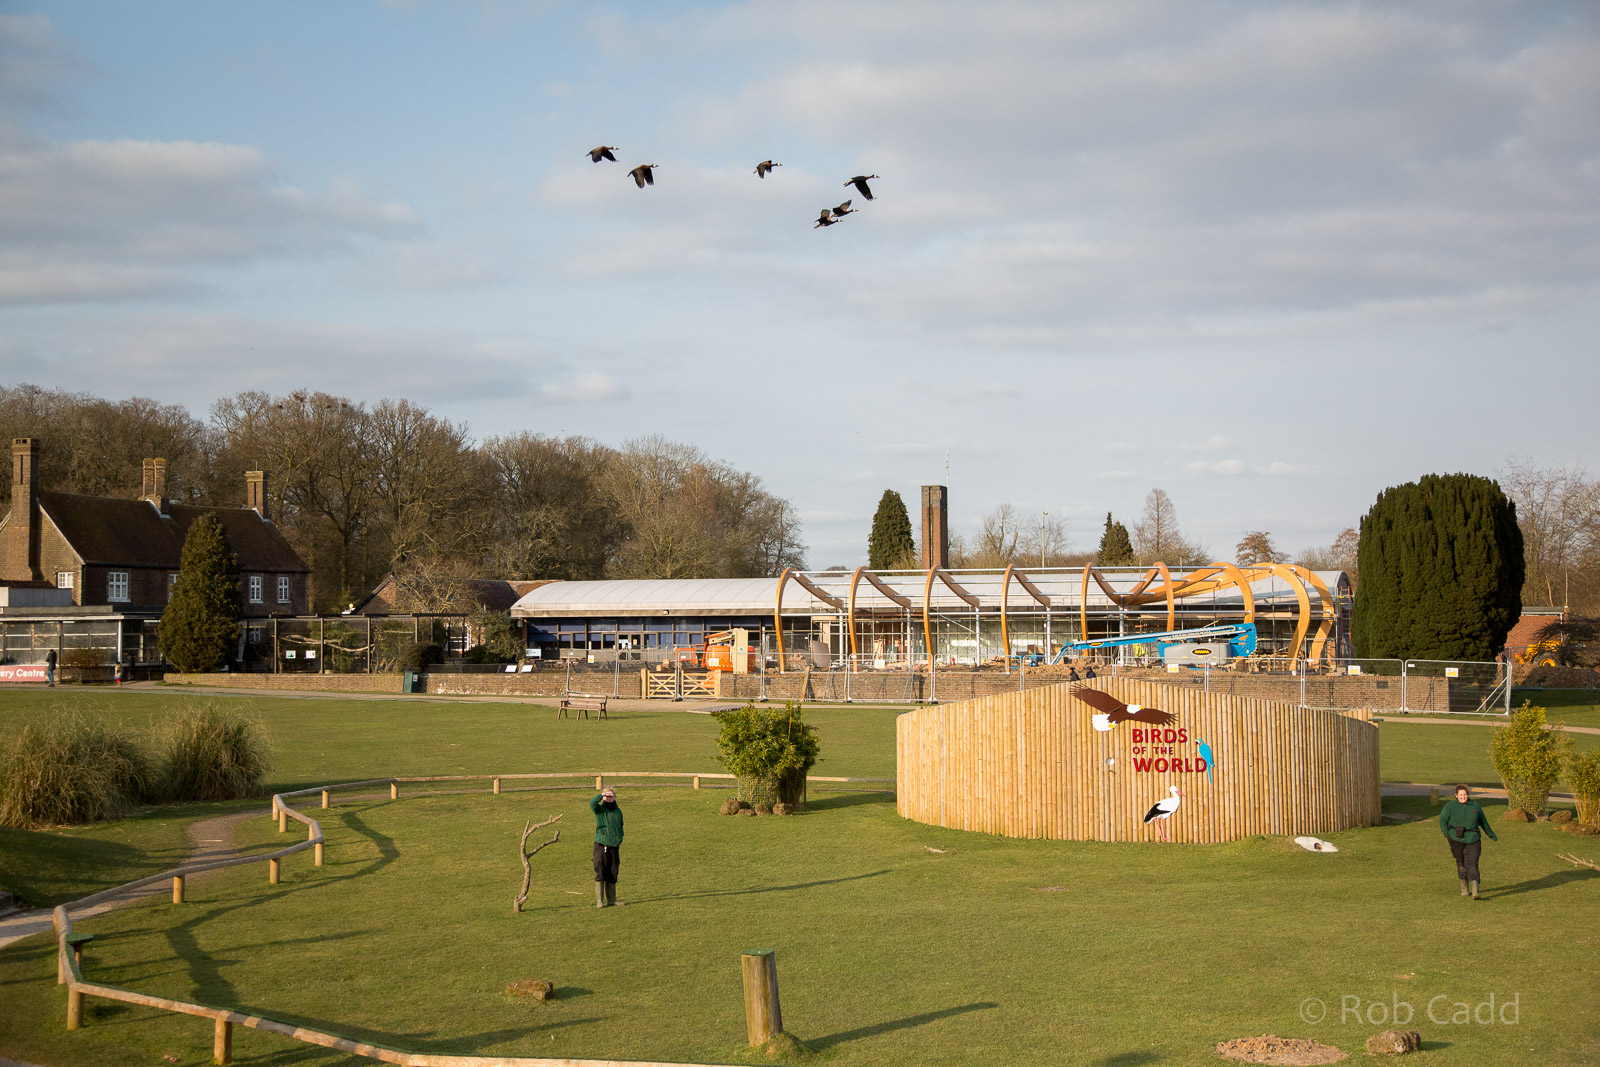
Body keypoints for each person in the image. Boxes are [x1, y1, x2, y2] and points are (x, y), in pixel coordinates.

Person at [1439, 784, 1496, 899]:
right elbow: (1442, 820)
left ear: (1468, 795)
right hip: (1455, 839)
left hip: (1473, 838)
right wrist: (1447, 834)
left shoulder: (1475, 806)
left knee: (1472, 864)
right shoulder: (1449, 806)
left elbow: (1483, 822)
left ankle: (1475, 892)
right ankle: (1464, 889)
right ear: (1456, 795)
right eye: (1460, 795)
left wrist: (1491, 835)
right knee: (1461, 864)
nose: (1463, 797)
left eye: (1465, 794)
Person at [589, 786, 624, 908]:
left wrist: (620, 837)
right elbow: (592, 803)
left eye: (611, 796)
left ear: (615, 797)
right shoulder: (600, 810)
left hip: (614, 846)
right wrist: (601, 795)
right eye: (606, 796)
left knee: (613, 872)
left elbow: (620, 826)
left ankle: (611, 900)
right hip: (601, 845)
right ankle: (600, 901)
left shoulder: (618, 811)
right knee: (601, 871)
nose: (609, 798)